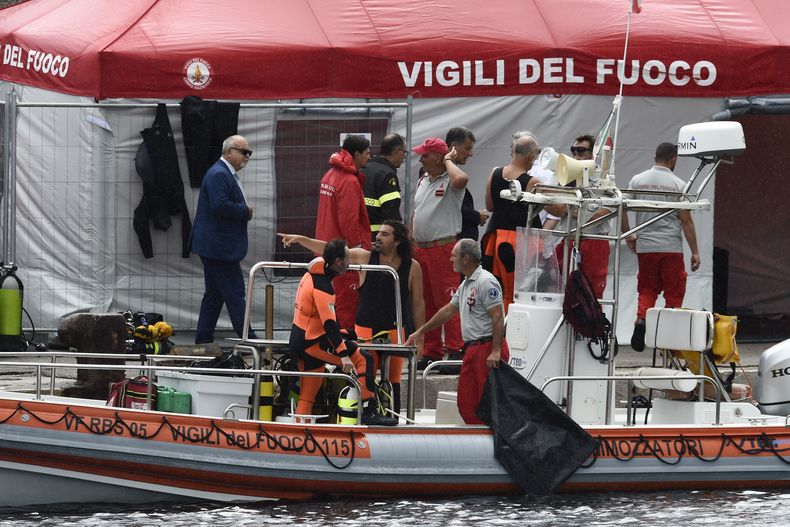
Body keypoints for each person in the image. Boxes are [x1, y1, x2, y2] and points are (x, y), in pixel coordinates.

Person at [280, 220, 425, 415]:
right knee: (366, 373)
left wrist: (421, 337)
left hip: (394, 331)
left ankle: (394, 421)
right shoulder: (365, 258)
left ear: (398, 241)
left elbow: (418, 304)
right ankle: (367, 416)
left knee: (394, 382)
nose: (378, 237)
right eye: (378, 232)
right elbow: (331, 251)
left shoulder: (412, 267)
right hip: (365, 328)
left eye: (384, 234)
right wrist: (301, 240)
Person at [288, 239, 396, 426]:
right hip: (311, 343)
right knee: (363, 359)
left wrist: (344, 333)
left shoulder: (314, 272)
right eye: (348, 258)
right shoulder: (323, 286)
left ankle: (299, 430)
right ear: (338, 261)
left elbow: (323, 319)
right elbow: (329, 324)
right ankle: (369, 411)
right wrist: (344, 355)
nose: (351, 263)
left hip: (302, 340)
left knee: (307, 396)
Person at [406, 239, 509, 424]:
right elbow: (447, 311)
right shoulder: (466, 284)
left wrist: (496, 351)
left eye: (453, 255)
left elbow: (498, 317)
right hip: (473, 348)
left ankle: (489, 437)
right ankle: (476, 436)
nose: (450, 259)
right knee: (466, 401)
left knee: (485, 400)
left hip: (487, 347)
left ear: (466, 258)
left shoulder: (485, 282)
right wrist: (420, 331)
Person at [623, 142, 701, 351]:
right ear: (673, 159)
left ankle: (641, 320)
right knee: (674, 293)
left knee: (647, 289)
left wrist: (629, 234)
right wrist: (694, 251)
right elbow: (685, 220)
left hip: (646, 247)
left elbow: (622, 205)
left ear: (654, 157)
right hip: (671, 248)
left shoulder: (637, 180)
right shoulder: (679, 184)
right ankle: (669, 335)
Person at [191, 135, 257, 344]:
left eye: (249, 153)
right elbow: (219, 206)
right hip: (219, 249)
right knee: (235, 294)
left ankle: (203, 341)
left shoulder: (222, 173)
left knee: (214, 295)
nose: (247, 156)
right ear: (229, 152)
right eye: (243, 152)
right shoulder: (220, 174)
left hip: (215, 247)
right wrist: (244, 211)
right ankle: (251, 341)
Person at [410, 137, 468, 370]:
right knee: (428, 303)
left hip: (443, 248)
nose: (420, 158)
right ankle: (432, 351)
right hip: (422, 249)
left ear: (437, 157)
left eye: (425, 155)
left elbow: (462, 178)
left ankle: (456, 349)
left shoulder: (451, 180)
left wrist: (448, 160)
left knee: (448, 299)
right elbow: (417, 212)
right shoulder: (424, 179)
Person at [545, 134, 614, 299]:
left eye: (581, 151)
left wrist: (568, 209)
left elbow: (602, 213)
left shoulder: (604, 179)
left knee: (591, 294)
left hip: (594, 240)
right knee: (560, 289)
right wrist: (571, 208)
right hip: (569, 239)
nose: (575, 156)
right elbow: (547, 201)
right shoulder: (565, 175)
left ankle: (591, 322)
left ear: (593, 154)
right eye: (573, 151)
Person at [315, 134, 372, 330]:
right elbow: (349, 220)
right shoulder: (348, 180)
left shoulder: (330, 174)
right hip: (343, 252)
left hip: (328, 247)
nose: (369, 157)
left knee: (331, 301)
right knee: (347, 303)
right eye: (367, 153)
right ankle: (346, 348)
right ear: (356, 154)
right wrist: (356, 251)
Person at [481, 131, 541, 312]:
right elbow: (555, 208)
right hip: (519, 241)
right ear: (531, 156)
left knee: (495, 286)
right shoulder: (532, 182)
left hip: (495, 238)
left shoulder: (495, 173)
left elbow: (490, 206)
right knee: (518, 290)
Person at [445, 127, 489, 241]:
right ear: (453, 147)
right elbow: (454, 207)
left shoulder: (449, 170)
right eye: (467, 148)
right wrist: (476, 216)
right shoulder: (442, 171)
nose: (471, 154)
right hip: (453, 241)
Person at [363, 133, 407, 240]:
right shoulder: (388, 175)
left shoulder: (364, 168)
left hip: (360, 235)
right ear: (396, 152)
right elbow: (391, 213)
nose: (404, 157)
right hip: (378, 238)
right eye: (404, 152)